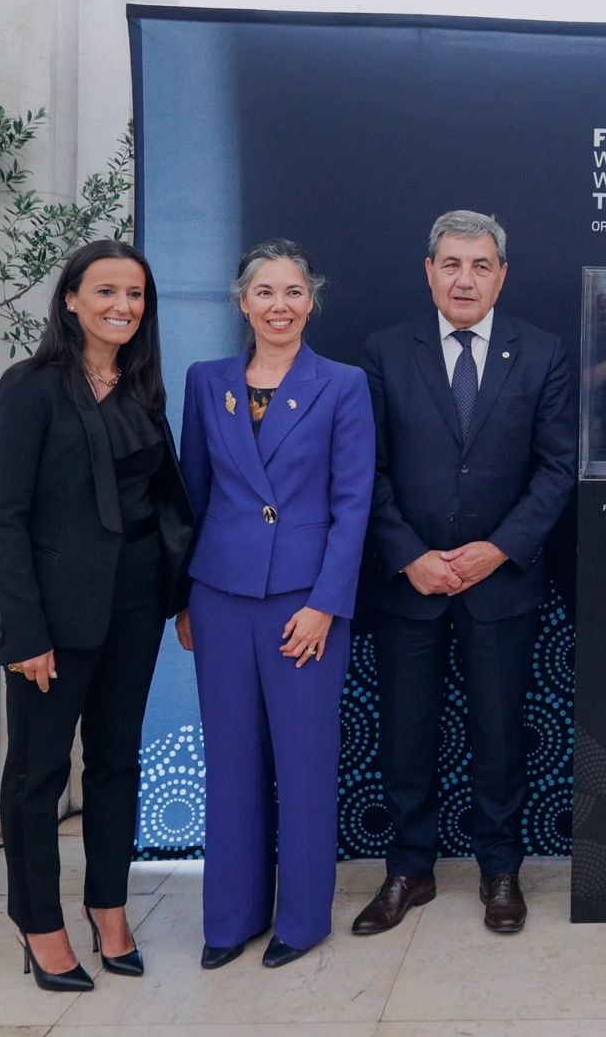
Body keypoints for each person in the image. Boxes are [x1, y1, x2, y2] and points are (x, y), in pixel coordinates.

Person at [353, 210, 576, 936]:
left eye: (481, 266)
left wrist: (497, 549)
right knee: (407, 733)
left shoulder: (542, 354)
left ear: (502, 275)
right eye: (451, 264)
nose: (465, 279)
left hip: (500, 582)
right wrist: (410, 556)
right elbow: (367, 470)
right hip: (407, 582)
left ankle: (500, 871)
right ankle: (408, 870)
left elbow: (556, 469)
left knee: (501, 736)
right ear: (428, 270)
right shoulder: (385, 352)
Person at [0, 239, 194, 991]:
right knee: (38, 776)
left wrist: (183, 597)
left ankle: (109, 907)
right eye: (105, 292)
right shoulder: (28, 388)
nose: (122, 307)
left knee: (117, 764)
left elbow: (168, 506)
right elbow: (3, 521)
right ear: (70, 299)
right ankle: (38, 924)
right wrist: (25, 632)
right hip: (50, 616)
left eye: (135, 295)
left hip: (135, 606)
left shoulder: (143, 391)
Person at [177, 240, 375, 969]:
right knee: (230, 764)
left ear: (311, 301)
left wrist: (327, 603)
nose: (280, 305)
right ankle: (228, 920)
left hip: (304, 601)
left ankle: (301, 921)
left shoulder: (342, 384)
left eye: (293, 292)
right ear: (241, 302)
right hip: (221, 595)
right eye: (265, 292)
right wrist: (184, 600)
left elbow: (354, 505)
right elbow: (191, 496)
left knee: (304, 763)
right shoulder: (206, 382)